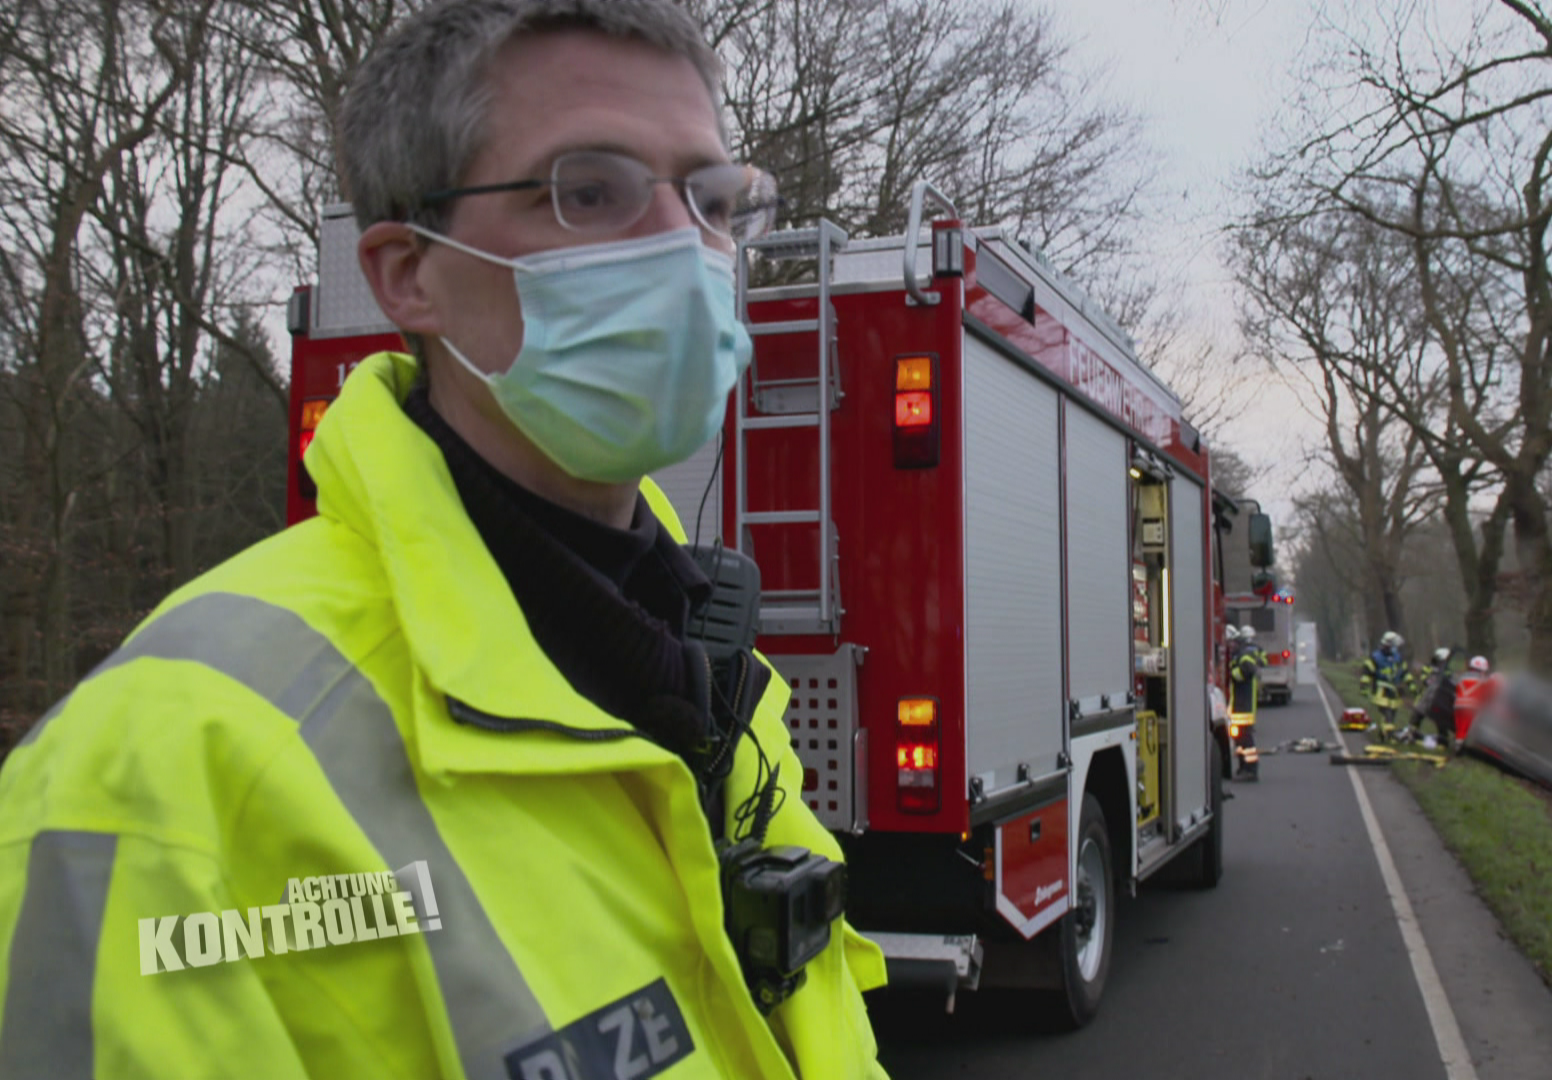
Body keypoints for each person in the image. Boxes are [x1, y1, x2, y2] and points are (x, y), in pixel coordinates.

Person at [0, 3, 887, 1077]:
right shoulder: (169, 783)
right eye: (590, 190)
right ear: (407, 273)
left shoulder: (709, 680)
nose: (682, 249)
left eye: (709, 201)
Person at [1228, 627, 1264, 777]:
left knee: (1246, 740)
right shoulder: (1238, 654)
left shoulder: (1244, 654)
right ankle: (1244, 767)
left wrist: (1232, 675)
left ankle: (1251, 769)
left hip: (1244, 706)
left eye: (1230, 642)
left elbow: (1248, 670)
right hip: (1239, 705)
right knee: (1239, 740)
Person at [1359, 631, 1409, 735]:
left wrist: (1411, 685)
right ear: (1388, 645)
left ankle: (1383, 734)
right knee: (1387, 715)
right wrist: (1364, 687)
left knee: (1392, 715)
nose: (1396, 648)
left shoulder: (1397, 657)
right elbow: (1366, 673)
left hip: (1394, 693)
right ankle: (1389, 737)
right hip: (1381, 693)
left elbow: (1404, 672)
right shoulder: (1376, 657)